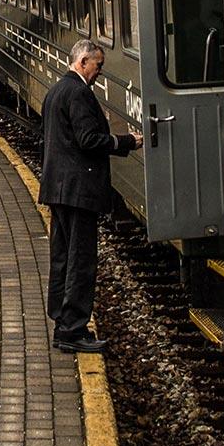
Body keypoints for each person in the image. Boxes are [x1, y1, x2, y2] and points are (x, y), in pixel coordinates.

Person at [39, 38, 142, 353]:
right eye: (98, 65)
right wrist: (126, 142)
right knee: (81, 261)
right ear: (83, 62)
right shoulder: (79, 93)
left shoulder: (56, 91)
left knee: (62, 258)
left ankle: (62, 322)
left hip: (58, 189)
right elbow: (89, 140)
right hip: (78, 191)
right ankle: (73, 330)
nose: (99, 71)